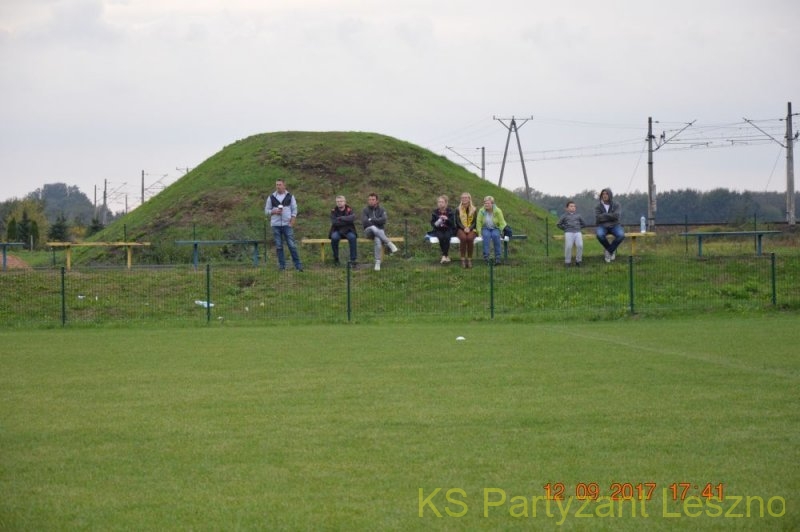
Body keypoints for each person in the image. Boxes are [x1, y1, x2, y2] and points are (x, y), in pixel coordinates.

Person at [265, 179, 303, 271]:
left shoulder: (290, 196)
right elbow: (266, 211)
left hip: (287, 224)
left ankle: (298, 266)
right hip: (276, 225)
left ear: (284, 186)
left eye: (280, 184)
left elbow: (294, 210)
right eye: (277, 184)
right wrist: (274, 211)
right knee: (279, 246)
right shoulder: (271, 197)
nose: (278, 186)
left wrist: (292, 222)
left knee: (292, 245)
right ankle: (282, 266)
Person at [361, 192, 399, 271]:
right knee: (373, 227)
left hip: (379, 233)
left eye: (373, 199)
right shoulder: (365, 210)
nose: (371, 201)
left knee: (378, 242)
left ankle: (377, 262)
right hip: (368, 231)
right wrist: (376, 222)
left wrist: (371, 219)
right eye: (369, 199)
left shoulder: (382, 209)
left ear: (377, 201)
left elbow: (383, 220)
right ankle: (389, 243)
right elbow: (365, 222)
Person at [594, 188, 625, 263]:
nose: (604, 195)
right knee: (599, 235)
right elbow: (598, 218)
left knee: (621, 235)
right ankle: (611, 250)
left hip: (615, 225)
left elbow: (616, 216)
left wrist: (604, 215)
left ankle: (608, 251)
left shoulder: (616, 204)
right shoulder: (598, 206)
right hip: (602, 225)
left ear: (610, 195)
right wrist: (611, 216)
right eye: (603, 194)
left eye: (606, 194)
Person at [476, 196, 507, 264]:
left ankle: (498, 258)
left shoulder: (498, 211)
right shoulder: (481, 211)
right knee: (486, 236)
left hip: (495, 228)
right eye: (485, 203)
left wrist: (501, 231)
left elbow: (502, 223)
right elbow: (478, 222)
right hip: (485, 228)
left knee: (496, 236)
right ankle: (486, 257)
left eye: (488, 203)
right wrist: (479, 232)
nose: (486, 205)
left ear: (492, 204)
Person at [329, 195, 358, 267]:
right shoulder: (333, 211)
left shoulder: (349, 210)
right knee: (334, 238)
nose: (339, 203)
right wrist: (346, 220)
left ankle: (353, 260)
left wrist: (341, 218)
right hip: (337, 230)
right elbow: (335, 222)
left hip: (348, 230)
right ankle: (336, 259)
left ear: (345, 202)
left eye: (341, 201)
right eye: (337, 201)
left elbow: (352, 218)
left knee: (353, 238)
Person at [557, 200, 587, 267]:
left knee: (580, 245)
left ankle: (578, 261)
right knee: (568, 246)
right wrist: (565, 228)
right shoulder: (564, 216)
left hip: (578, 232)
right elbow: (558, 224)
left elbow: (584, 224)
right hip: (568, 232)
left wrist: (578, 228)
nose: (573, 207)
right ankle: (567, 262)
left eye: (574, 206)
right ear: (567, 208)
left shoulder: (578, 216)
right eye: (571, 206)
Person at [430, 195, 456, 264]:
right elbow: (432, 223)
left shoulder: (450, 211)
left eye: (442, 202)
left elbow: (452, 224)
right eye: (439, 202)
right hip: (438, 229)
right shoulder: (435, 212)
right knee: (441, 237)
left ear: (446, 203)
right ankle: (446, 256)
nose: (440, 203)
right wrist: (438, 221)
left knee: (447, 237)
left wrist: (447, 219)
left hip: (448, 229)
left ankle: (444, 256)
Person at [455, 192, 478, 268]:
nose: (464, 199)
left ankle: (469, 259)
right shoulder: (458, 209)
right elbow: (457, 222)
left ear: (469, 199)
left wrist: (469, 228)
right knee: (463, 238)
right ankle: (462, 259)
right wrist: (464, 228)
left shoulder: (474, 209)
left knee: (470, 238)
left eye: (465, 197)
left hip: (471, 228)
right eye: (462, 197)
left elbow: (475, 222)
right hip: (461, 228)